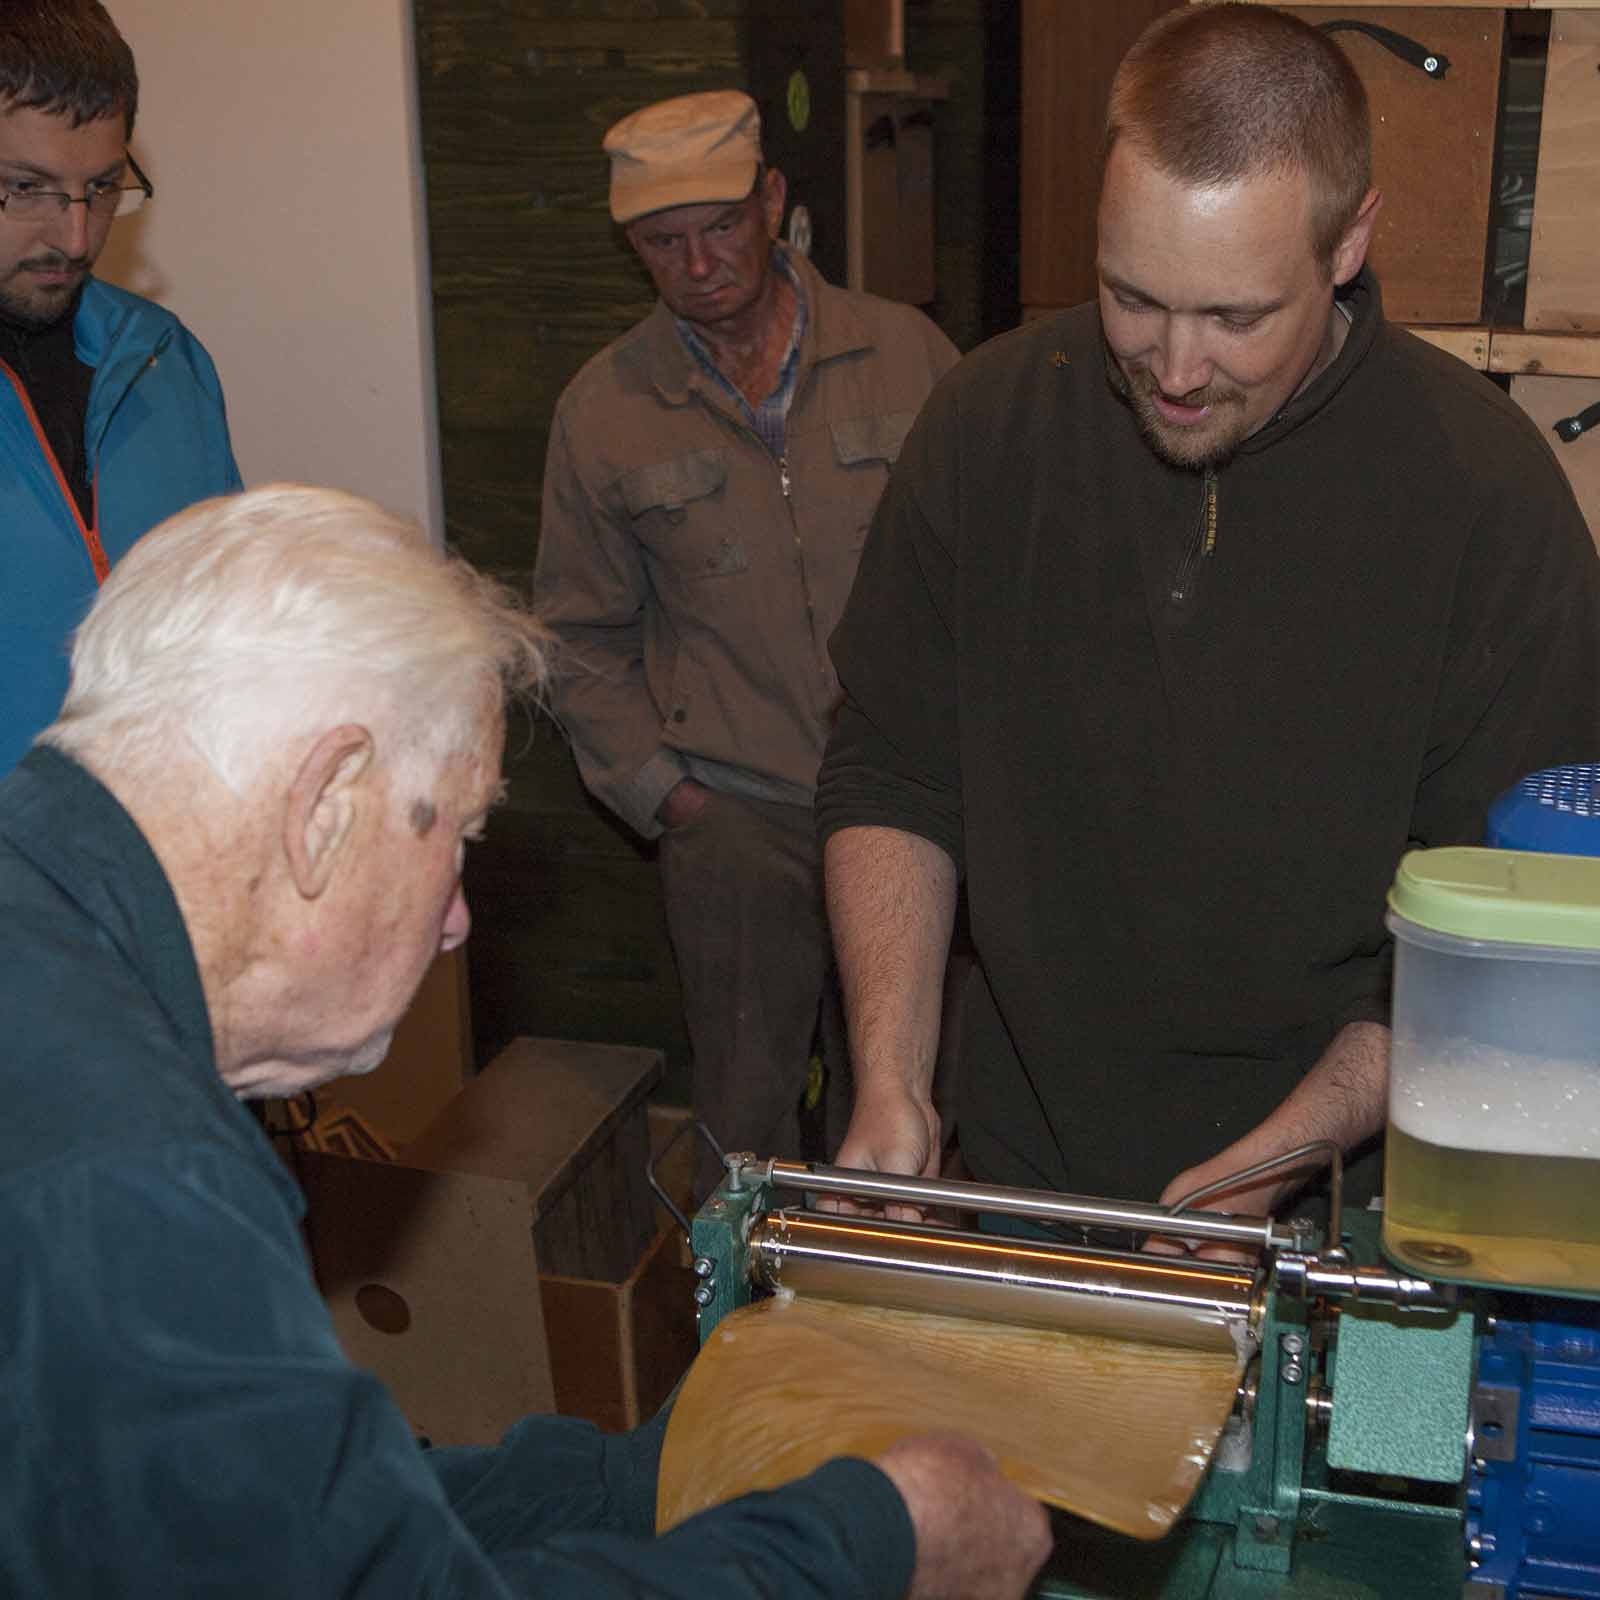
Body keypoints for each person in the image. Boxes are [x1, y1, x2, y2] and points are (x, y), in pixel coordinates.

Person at [0, 484, 1050, 1598]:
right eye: (458, 835)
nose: (458, 919)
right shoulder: (133, 1180)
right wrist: (865, 1544)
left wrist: (638, 1483)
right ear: (324, 804)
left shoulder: (50, 963)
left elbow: (295, 1523)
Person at [817, 3, 1600, 1230]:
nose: (1175, 369)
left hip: (1340, 1206)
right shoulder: (984, 428)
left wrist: (1275, 1164)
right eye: (1132, 296)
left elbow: (1491, 936)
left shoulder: (1487, 500)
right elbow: (893, 773)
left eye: (1236, 318)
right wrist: (890, 1078)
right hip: (1024, 1177)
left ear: (1348, 242)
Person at [533, 89, 958, 1195]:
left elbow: (995, 574)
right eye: (663, 242)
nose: (699, 263)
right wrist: (667, 794)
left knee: (910, 1096)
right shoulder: (604, 410)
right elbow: (576, 634)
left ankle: (892, 1283)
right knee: (746, 1111)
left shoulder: (906, 354)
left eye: (721, 226)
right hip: (735, 818)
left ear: (772, 201)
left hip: (907, 806)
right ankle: (745, 1298)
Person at [0, 0, 240, 776]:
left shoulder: (168, 362)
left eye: (102, 187)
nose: (75, 238)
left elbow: (230, 637)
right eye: (25, 187)